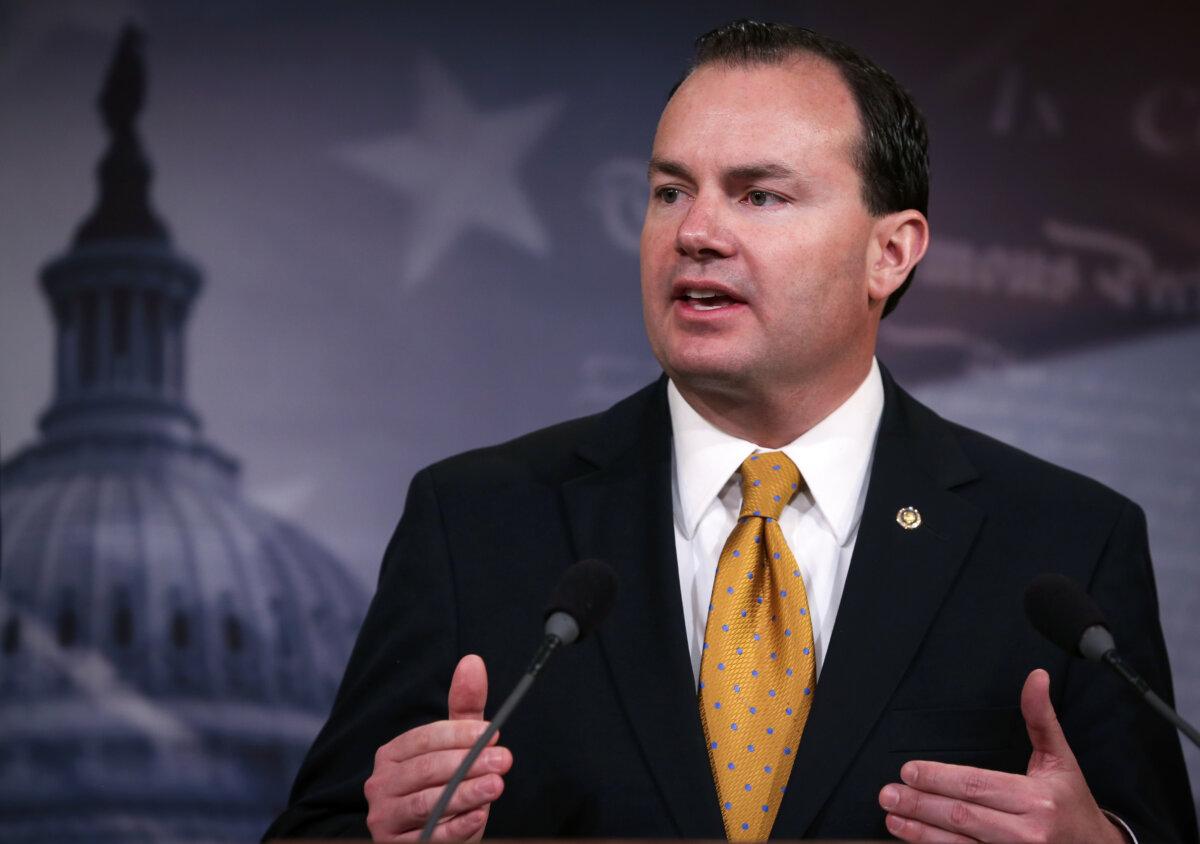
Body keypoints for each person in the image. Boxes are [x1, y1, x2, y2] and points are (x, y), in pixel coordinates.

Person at [265, 20, 1196, 842]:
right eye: (671, 191)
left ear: (891, 252)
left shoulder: (1066, 545)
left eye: (759, 195)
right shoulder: (474, 521)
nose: (696, 232)